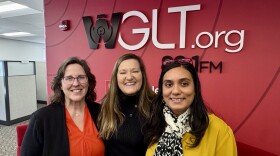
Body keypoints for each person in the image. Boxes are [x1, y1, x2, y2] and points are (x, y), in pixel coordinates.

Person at [145, 55, 237, 156]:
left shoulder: (219, 130)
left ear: (195, 89)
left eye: (184, 84)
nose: (175, 91)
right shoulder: (155, 125)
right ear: (162, 91)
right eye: (169, 84)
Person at [21, 57, 104, 156]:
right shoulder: (41, 118)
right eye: (69, 78)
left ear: (88, 82)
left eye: (81, 77)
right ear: (60, 84)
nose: (76, 83)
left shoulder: (101, 112)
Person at [98, 53, 155, 156]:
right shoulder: (106, 106)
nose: (129, 77)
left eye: (135, 71)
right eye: (123, 72)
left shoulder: (156, 106)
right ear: (116, 77)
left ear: (142, 75)